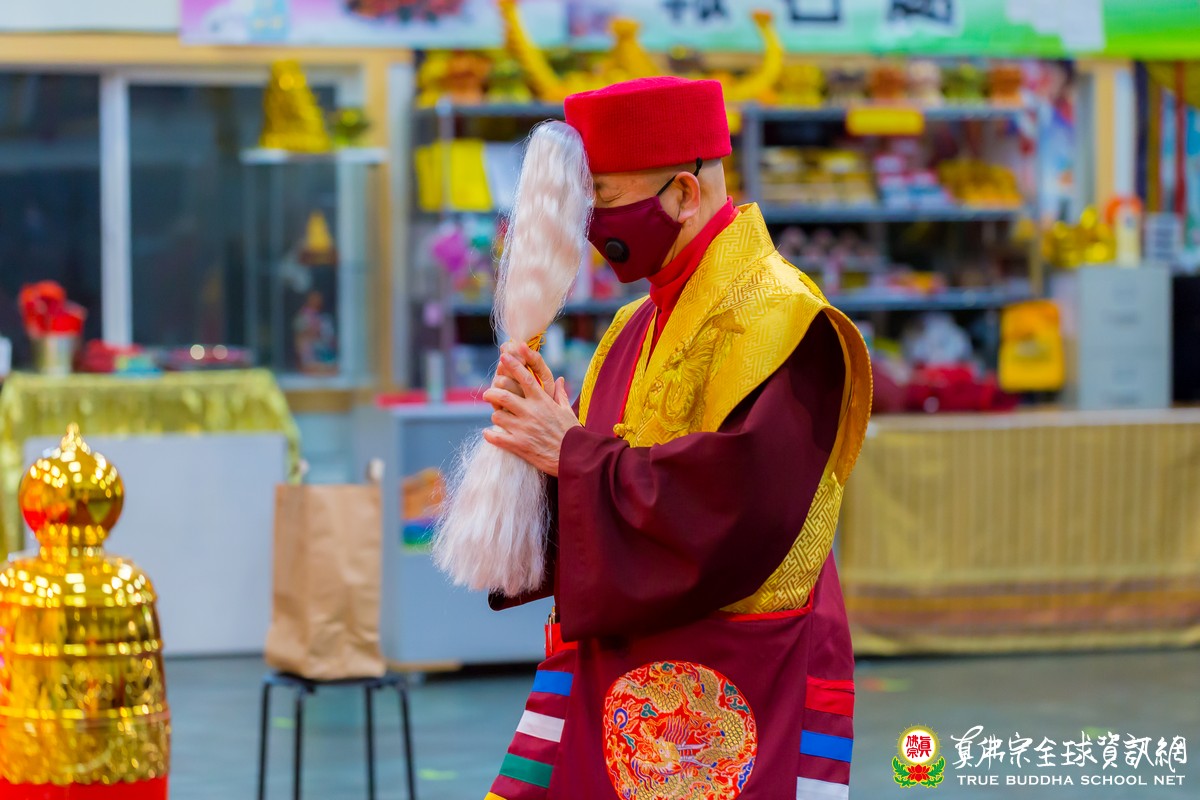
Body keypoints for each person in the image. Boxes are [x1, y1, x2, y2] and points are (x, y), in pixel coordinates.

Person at [479, 76, 872, 800]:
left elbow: (734, 512)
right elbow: (599, 489)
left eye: (606, 198)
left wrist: (572, 453)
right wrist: (536, 457)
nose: (593, 226)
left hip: (734, 680)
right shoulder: (630, 327)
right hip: (625, 673)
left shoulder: (786, 322)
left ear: (685, 195)